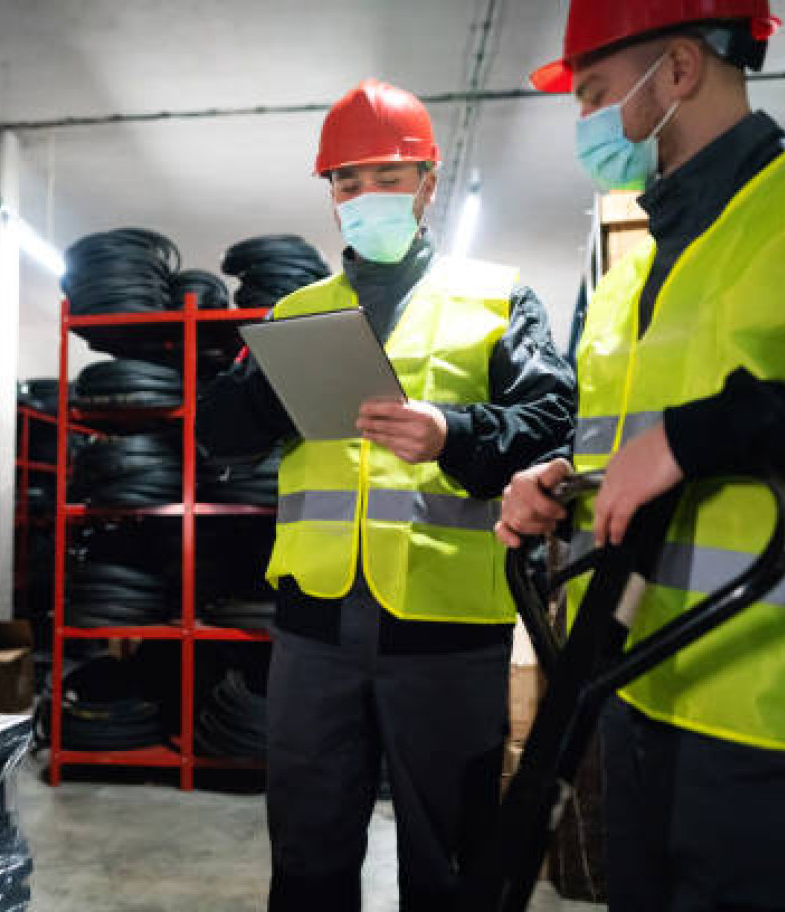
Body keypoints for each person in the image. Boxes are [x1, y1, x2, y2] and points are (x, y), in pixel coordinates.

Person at [499, 1, 785, 907]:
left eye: (593, 92)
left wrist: (706, 432)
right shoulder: (627, 282)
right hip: (635, 698)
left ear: (680, 70)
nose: (583, 122)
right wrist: (560, 485)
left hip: (782, 729)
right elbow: (633, 454)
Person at [198, 78, 575, 911]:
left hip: (445, 631)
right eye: (347, 181)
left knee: (450, 861)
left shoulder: (496, 296)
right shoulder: (298, 310)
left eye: (387, 176)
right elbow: (216, 430)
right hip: (313, 632)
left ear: (429, 184)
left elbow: (554, 422)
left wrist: (456, 433)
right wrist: (274, 393)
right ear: (330, 196)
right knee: (307, 852)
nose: (366, 196)